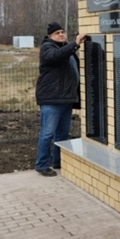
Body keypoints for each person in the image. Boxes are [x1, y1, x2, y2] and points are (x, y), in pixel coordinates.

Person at [35, 22, 87, 176]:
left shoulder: (66, 51)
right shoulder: (47, 48)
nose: (61, 34)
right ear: (50, 36)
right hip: (52, 100)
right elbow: (56, 56)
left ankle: (58, 161)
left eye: (62, 31)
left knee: (62, 135)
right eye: (57, 32)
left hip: (66, 100)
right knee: (47, 133)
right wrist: (75, 44)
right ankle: (42, 164)